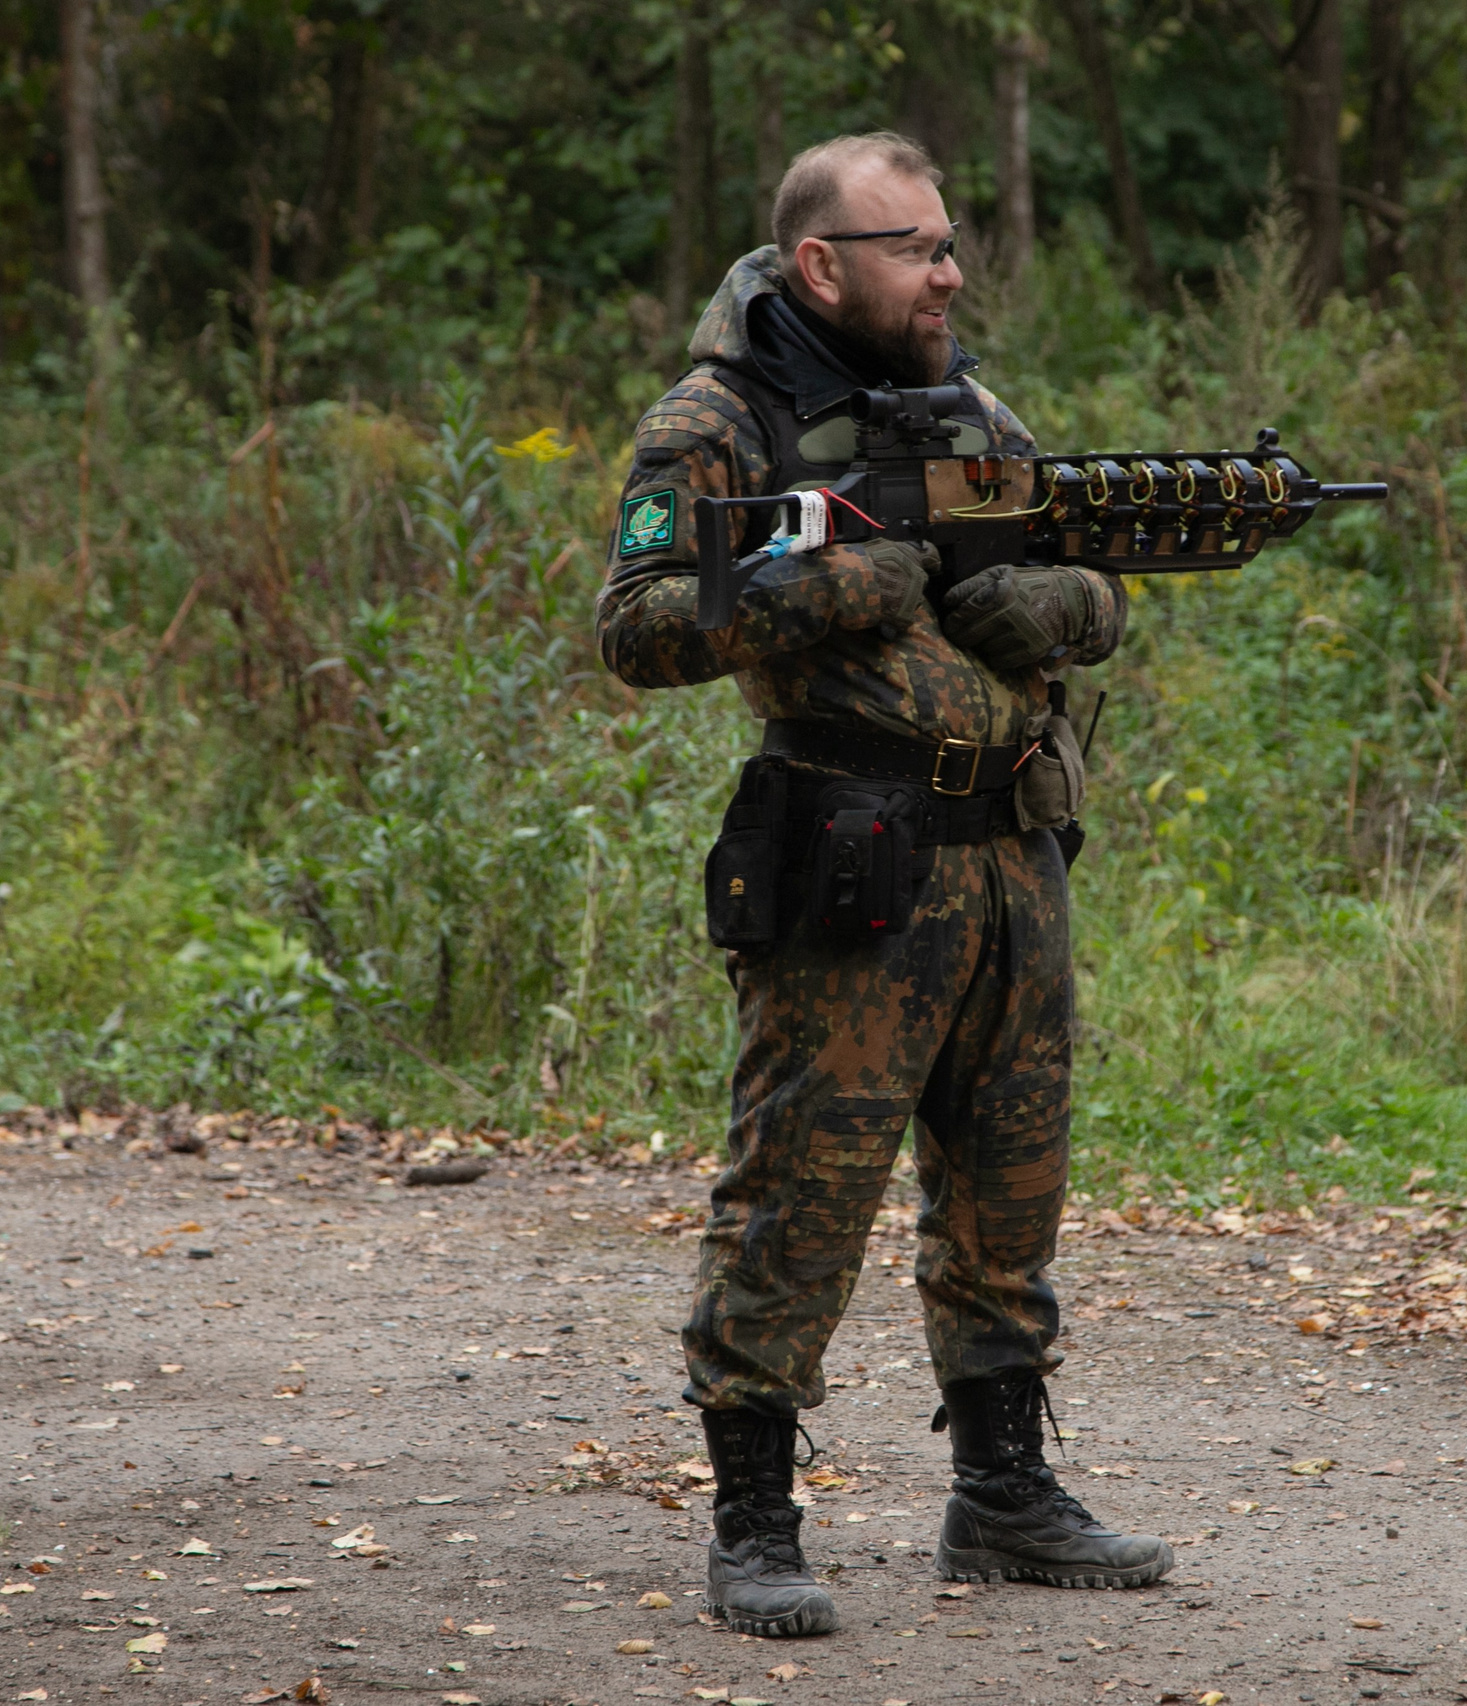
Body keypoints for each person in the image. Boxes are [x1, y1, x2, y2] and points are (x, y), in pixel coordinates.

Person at [596, 131, 1171, 1638]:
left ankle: (1001, 1495)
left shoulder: (968, 405)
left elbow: (1090, 566)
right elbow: (640, 623)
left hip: (1012, 851)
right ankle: (756, 1522)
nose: (949, 269)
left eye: (950, 239)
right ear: (821, 265)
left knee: (1009, 1191)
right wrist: (845, 579)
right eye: (914, 246)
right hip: (847, 858)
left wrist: (1054, 602)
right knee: (804, 1192)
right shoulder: (717, 417)